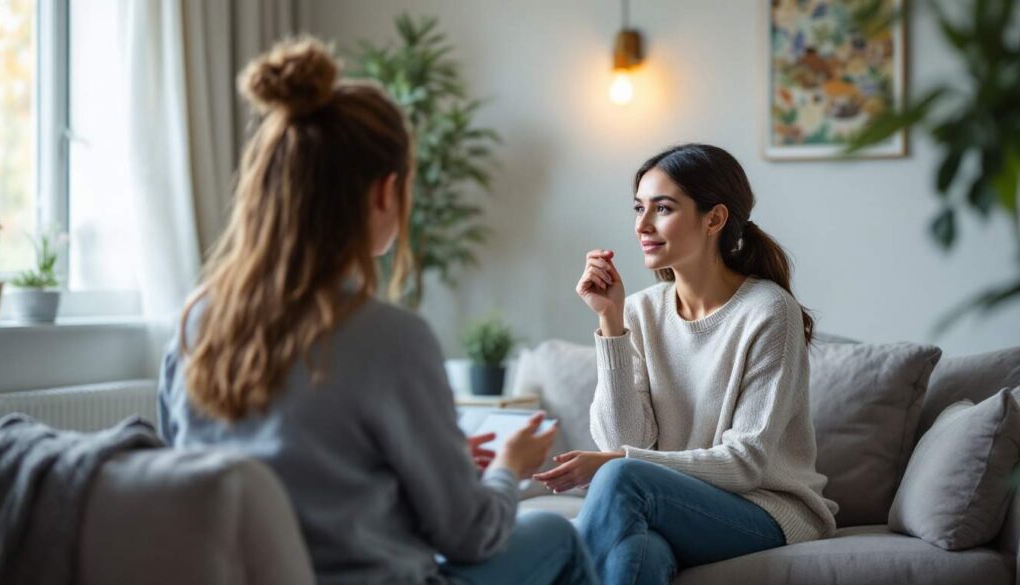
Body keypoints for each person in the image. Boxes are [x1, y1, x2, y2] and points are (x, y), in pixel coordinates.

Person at [157, 37, 597, 585]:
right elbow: (470, 536)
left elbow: (198, 483)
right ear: (386, 192)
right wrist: (510, 466)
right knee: (554, 535)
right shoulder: (390, 337)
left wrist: (424, 459)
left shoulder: (197, 323)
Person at [533, 144, 839, 584]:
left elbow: (744, 463)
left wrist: (617, 461)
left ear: (714, 218)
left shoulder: (769, 311)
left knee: (622, 480)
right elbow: (626, 438)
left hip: (765, 510)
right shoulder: (637, 311)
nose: (642, 225)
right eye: (639, 207)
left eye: (663, 208)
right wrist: (610, 321)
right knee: (639, 552)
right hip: (672, 507)